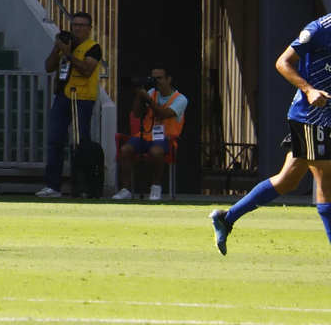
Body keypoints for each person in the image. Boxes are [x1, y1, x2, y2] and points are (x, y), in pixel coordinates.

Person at [212, 14, 331, 255]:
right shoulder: (319, 29)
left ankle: (227, 217)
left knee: (288, 180)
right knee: (326, 179)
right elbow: (282, 62)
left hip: (326, 118)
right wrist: (308, 90)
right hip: (312, 117)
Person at [37, 11, 102, 199]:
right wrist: (56, 48)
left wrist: (69, 55)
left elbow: (87, 70)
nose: (77, 28)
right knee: (55, 140)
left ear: (89, 29)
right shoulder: (66, 45)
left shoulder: (93, 48)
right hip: (62, 96)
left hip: (82, 98)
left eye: (82, 25)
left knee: (81, 144)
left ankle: (83, 186)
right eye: (75, 24)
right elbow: (49, 67)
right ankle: (52, 186)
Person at [112, 68, 187, 201]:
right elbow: (137, 114)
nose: (155, 81)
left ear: (168, 79)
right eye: (153, 78)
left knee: (156, 152)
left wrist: (148, 99)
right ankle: (126, 190)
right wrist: (139, 96)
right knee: (125, 150)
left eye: (159, 78)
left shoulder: (180, 99)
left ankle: (156, 188)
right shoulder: (151, 92)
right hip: (146, 135)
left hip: (166, 138)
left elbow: (163, 114)